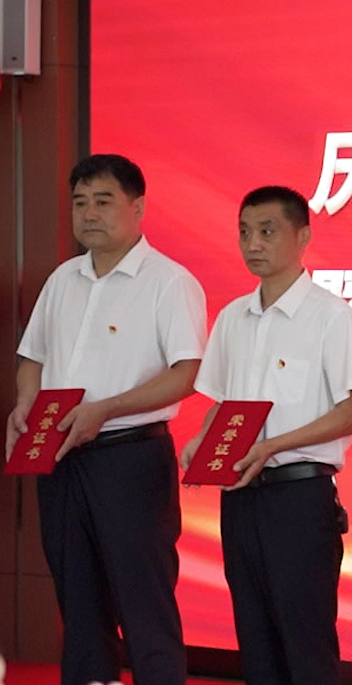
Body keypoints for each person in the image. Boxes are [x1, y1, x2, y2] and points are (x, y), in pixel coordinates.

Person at [8, 154, 206, 685]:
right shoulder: (63, 280)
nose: (89, 214)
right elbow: (33, 358)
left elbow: (187, 374)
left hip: (130, 457)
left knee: (144, 598)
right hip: (60, 456)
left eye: (103, 201)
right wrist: (25, 402)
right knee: (77, 598)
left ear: (137, 207)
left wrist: (107, 409)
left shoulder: (168, 281)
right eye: (80, 203)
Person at [181, 186, 352, 685]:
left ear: (303, 236)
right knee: (255, 640)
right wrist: (202, 441)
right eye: (245, 232)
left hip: (298, 498)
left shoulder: (332, 317)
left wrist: (270, 447)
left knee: (306, 644)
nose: (253, 244)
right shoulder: (232, 318)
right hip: (240, 499)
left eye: (267, 232)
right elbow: (222, 404)